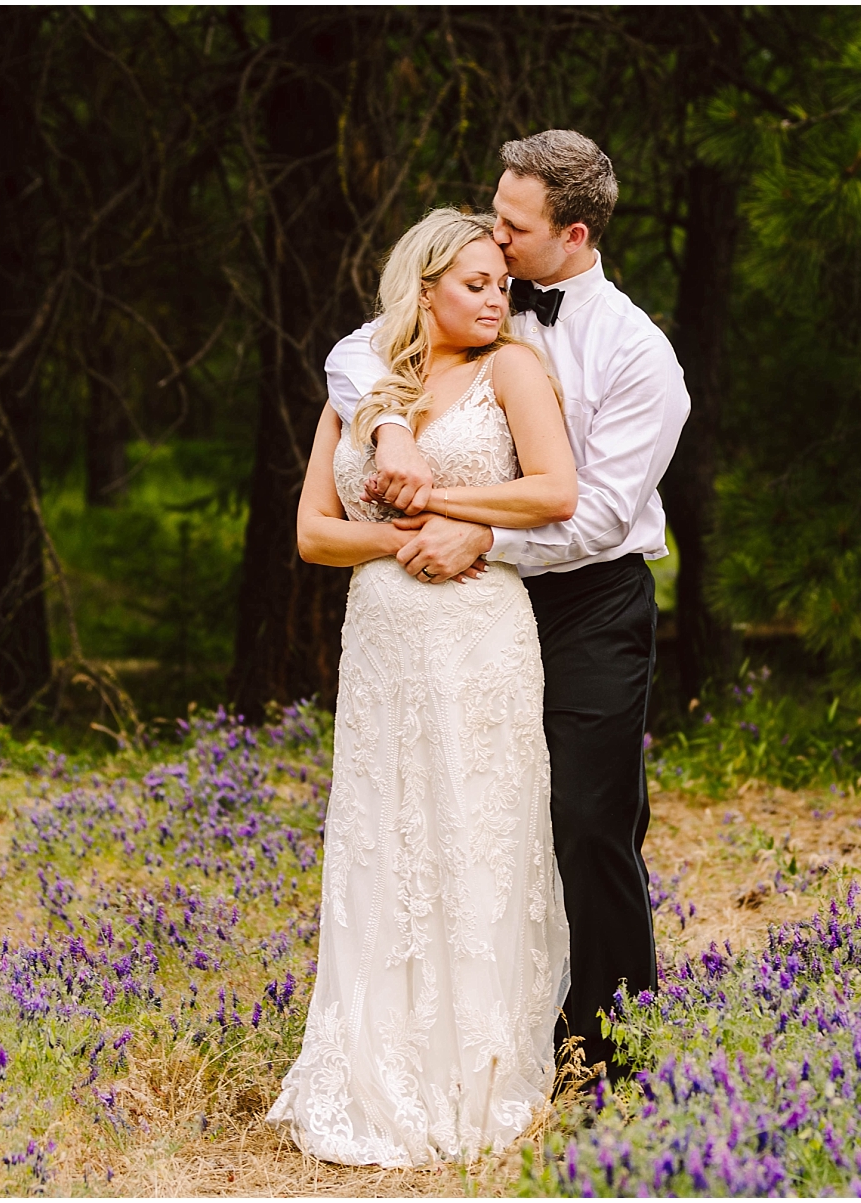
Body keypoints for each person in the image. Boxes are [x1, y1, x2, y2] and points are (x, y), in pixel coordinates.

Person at [324, 129, 691, 1081]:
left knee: (586, 818)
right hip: (474, 602)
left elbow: (600, 512)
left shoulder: (639, 354)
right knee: (474, 814)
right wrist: (396, 423)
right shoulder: (479, 289)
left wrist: (480, 534)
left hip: (589, 602)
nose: (493, 234)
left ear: (571, 235)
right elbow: (354, 357)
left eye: (512, 226)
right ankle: (489, 1037)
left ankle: (607, 1050)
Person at [266, 208, 577, 1166]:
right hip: (385, 641)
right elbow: (317, 533)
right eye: (476, 284)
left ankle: (479, 1070)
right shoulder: (365, 386)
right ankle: (374, 1066)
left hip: (478, 634)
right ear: (426, 287)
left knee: (474, 831)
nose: (497, 298)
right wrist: (404, 537)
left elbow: (554, 491)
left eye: (502, 283)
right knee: (386, 834)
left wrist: (435, 499)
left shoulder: (514, 369)